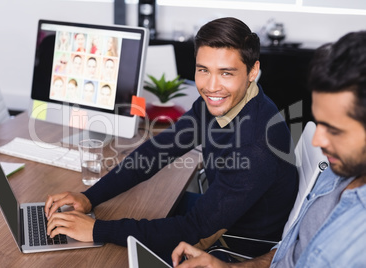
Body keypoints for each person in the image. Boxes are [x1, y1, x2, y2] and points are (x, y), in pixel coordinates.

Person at [44, 17, 298, 263]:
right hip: (223, 216)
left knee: (98, 258)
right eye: (203, 70)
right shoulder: (222, 102)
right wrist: (90, 197)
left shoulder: (254, 144)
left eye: (226, 73)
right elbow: (158, 151)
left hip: (236, 246)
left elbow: (193, 229)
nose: (211, 86)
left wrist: (97, 230)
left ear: (253, 71)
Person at [171, 30, 366, 267]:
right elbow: (288, 254)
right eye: (319, 123)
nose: (317, 140)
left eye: (334, 130)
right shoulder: (339, 172)